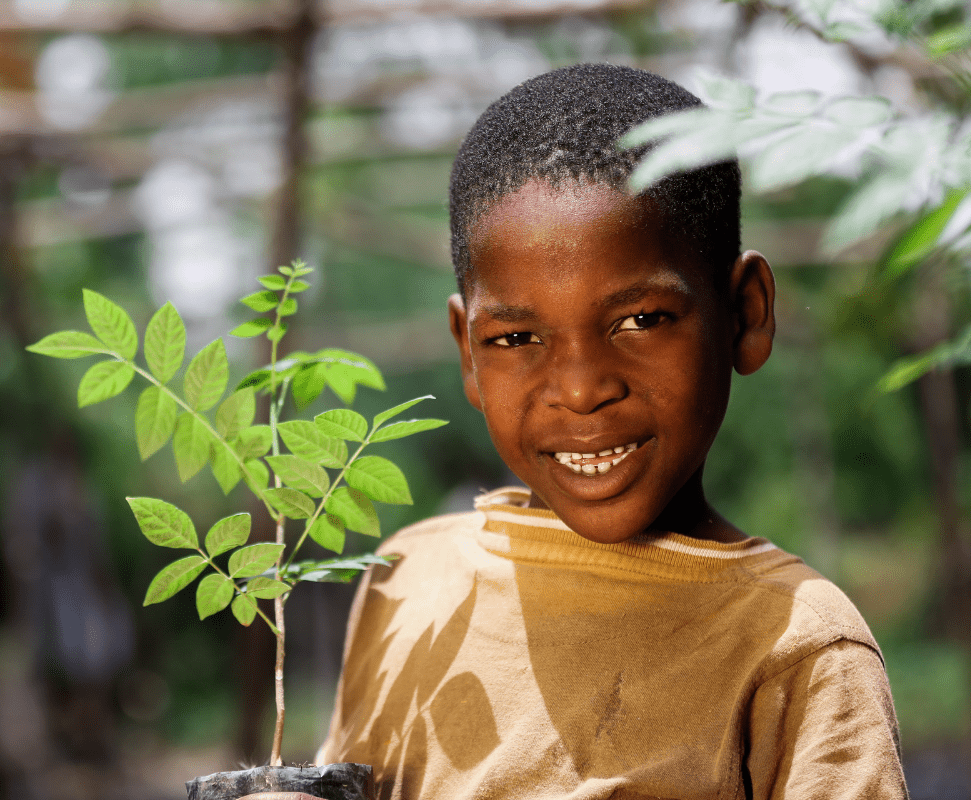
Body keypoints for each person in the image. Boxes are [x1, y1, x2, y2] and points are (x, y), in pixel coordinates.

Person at [293, 63, 907, 799]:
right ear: (467, 351)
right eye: (517, 339)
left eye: (642, 320)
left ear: (745, 312)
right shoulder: (409, 579)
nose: (582, 388)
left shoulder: (796, 647)